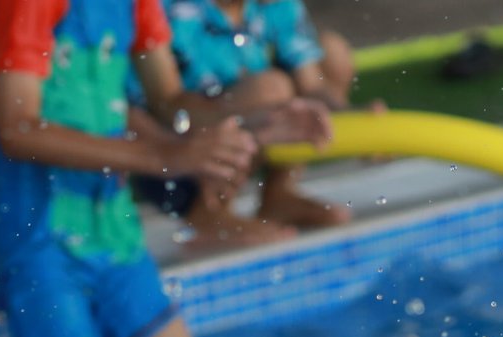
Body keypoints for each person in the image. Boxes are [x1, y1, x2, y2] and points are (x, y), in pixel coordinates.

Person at [0, 0, 330, 337]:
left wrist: (258, 122)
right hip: (41, 244)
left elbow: (169, 102)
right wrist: (165, 157)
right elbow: (17, 129)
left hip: (117, 238)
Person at [135, 0, 357, 249]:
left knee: (331, 54)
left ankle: (278, 193)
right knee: (272, 88)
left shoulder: (275, 4)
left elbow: (312, 85)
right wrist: (251, 120)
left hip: (232, 127)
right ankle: (209, 213)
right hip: (170, 162)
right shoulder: (169, 11)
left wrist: (361, 121)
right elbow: (162, 105)